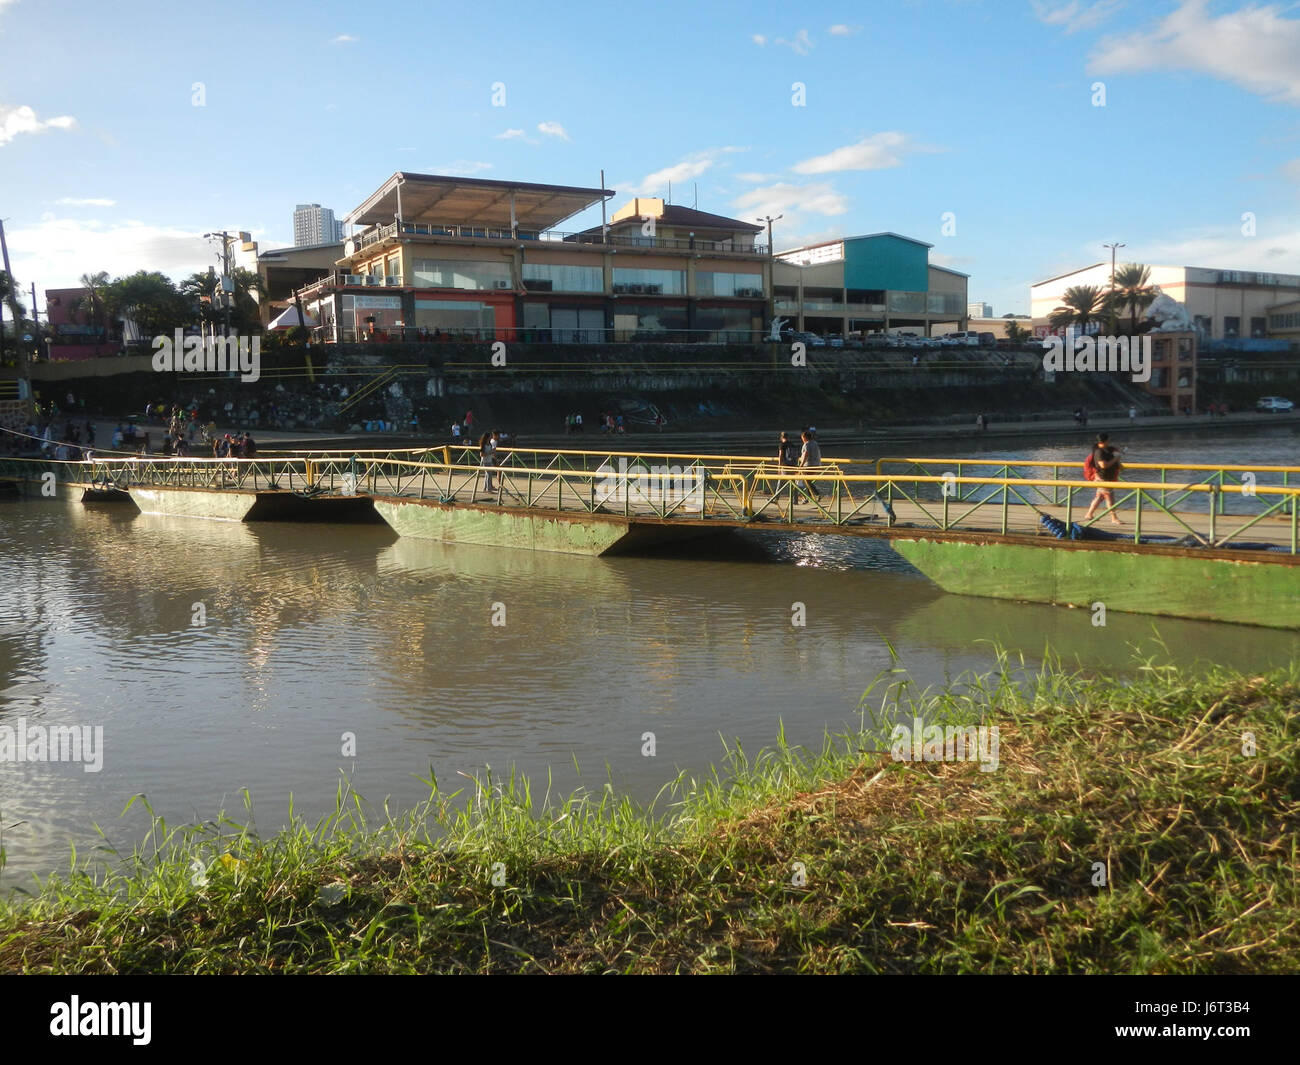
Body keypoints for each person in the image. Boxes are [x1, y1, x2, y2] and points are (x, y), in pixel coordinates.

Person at [1083, 433, 1123, 525]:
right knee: (1110, 497)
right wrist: (1115, 458)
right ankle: (1114, 518)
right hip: (1103, 478)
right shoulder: (1099, 452)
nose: (1109, 442)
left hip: (1106, 477)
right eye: (1108, 440)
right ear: (1104, 441)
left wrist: (1116, 458)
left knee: (1100, 497)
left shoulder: (1106, 450)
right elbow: (1103, 465)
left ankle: (1089, 514)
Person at [797, 429, 823, 503]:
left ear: (805, 437)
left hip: (809, 465)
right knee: (808, 481)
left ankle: (812, 496)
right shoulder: (815, 443)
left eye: (802, 438)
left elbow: (806, 455)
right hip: (816, 465)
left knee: (805, 481)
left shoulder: (807, 444)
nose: (802, 439)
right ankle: (810, 497)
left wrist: (801, 466)